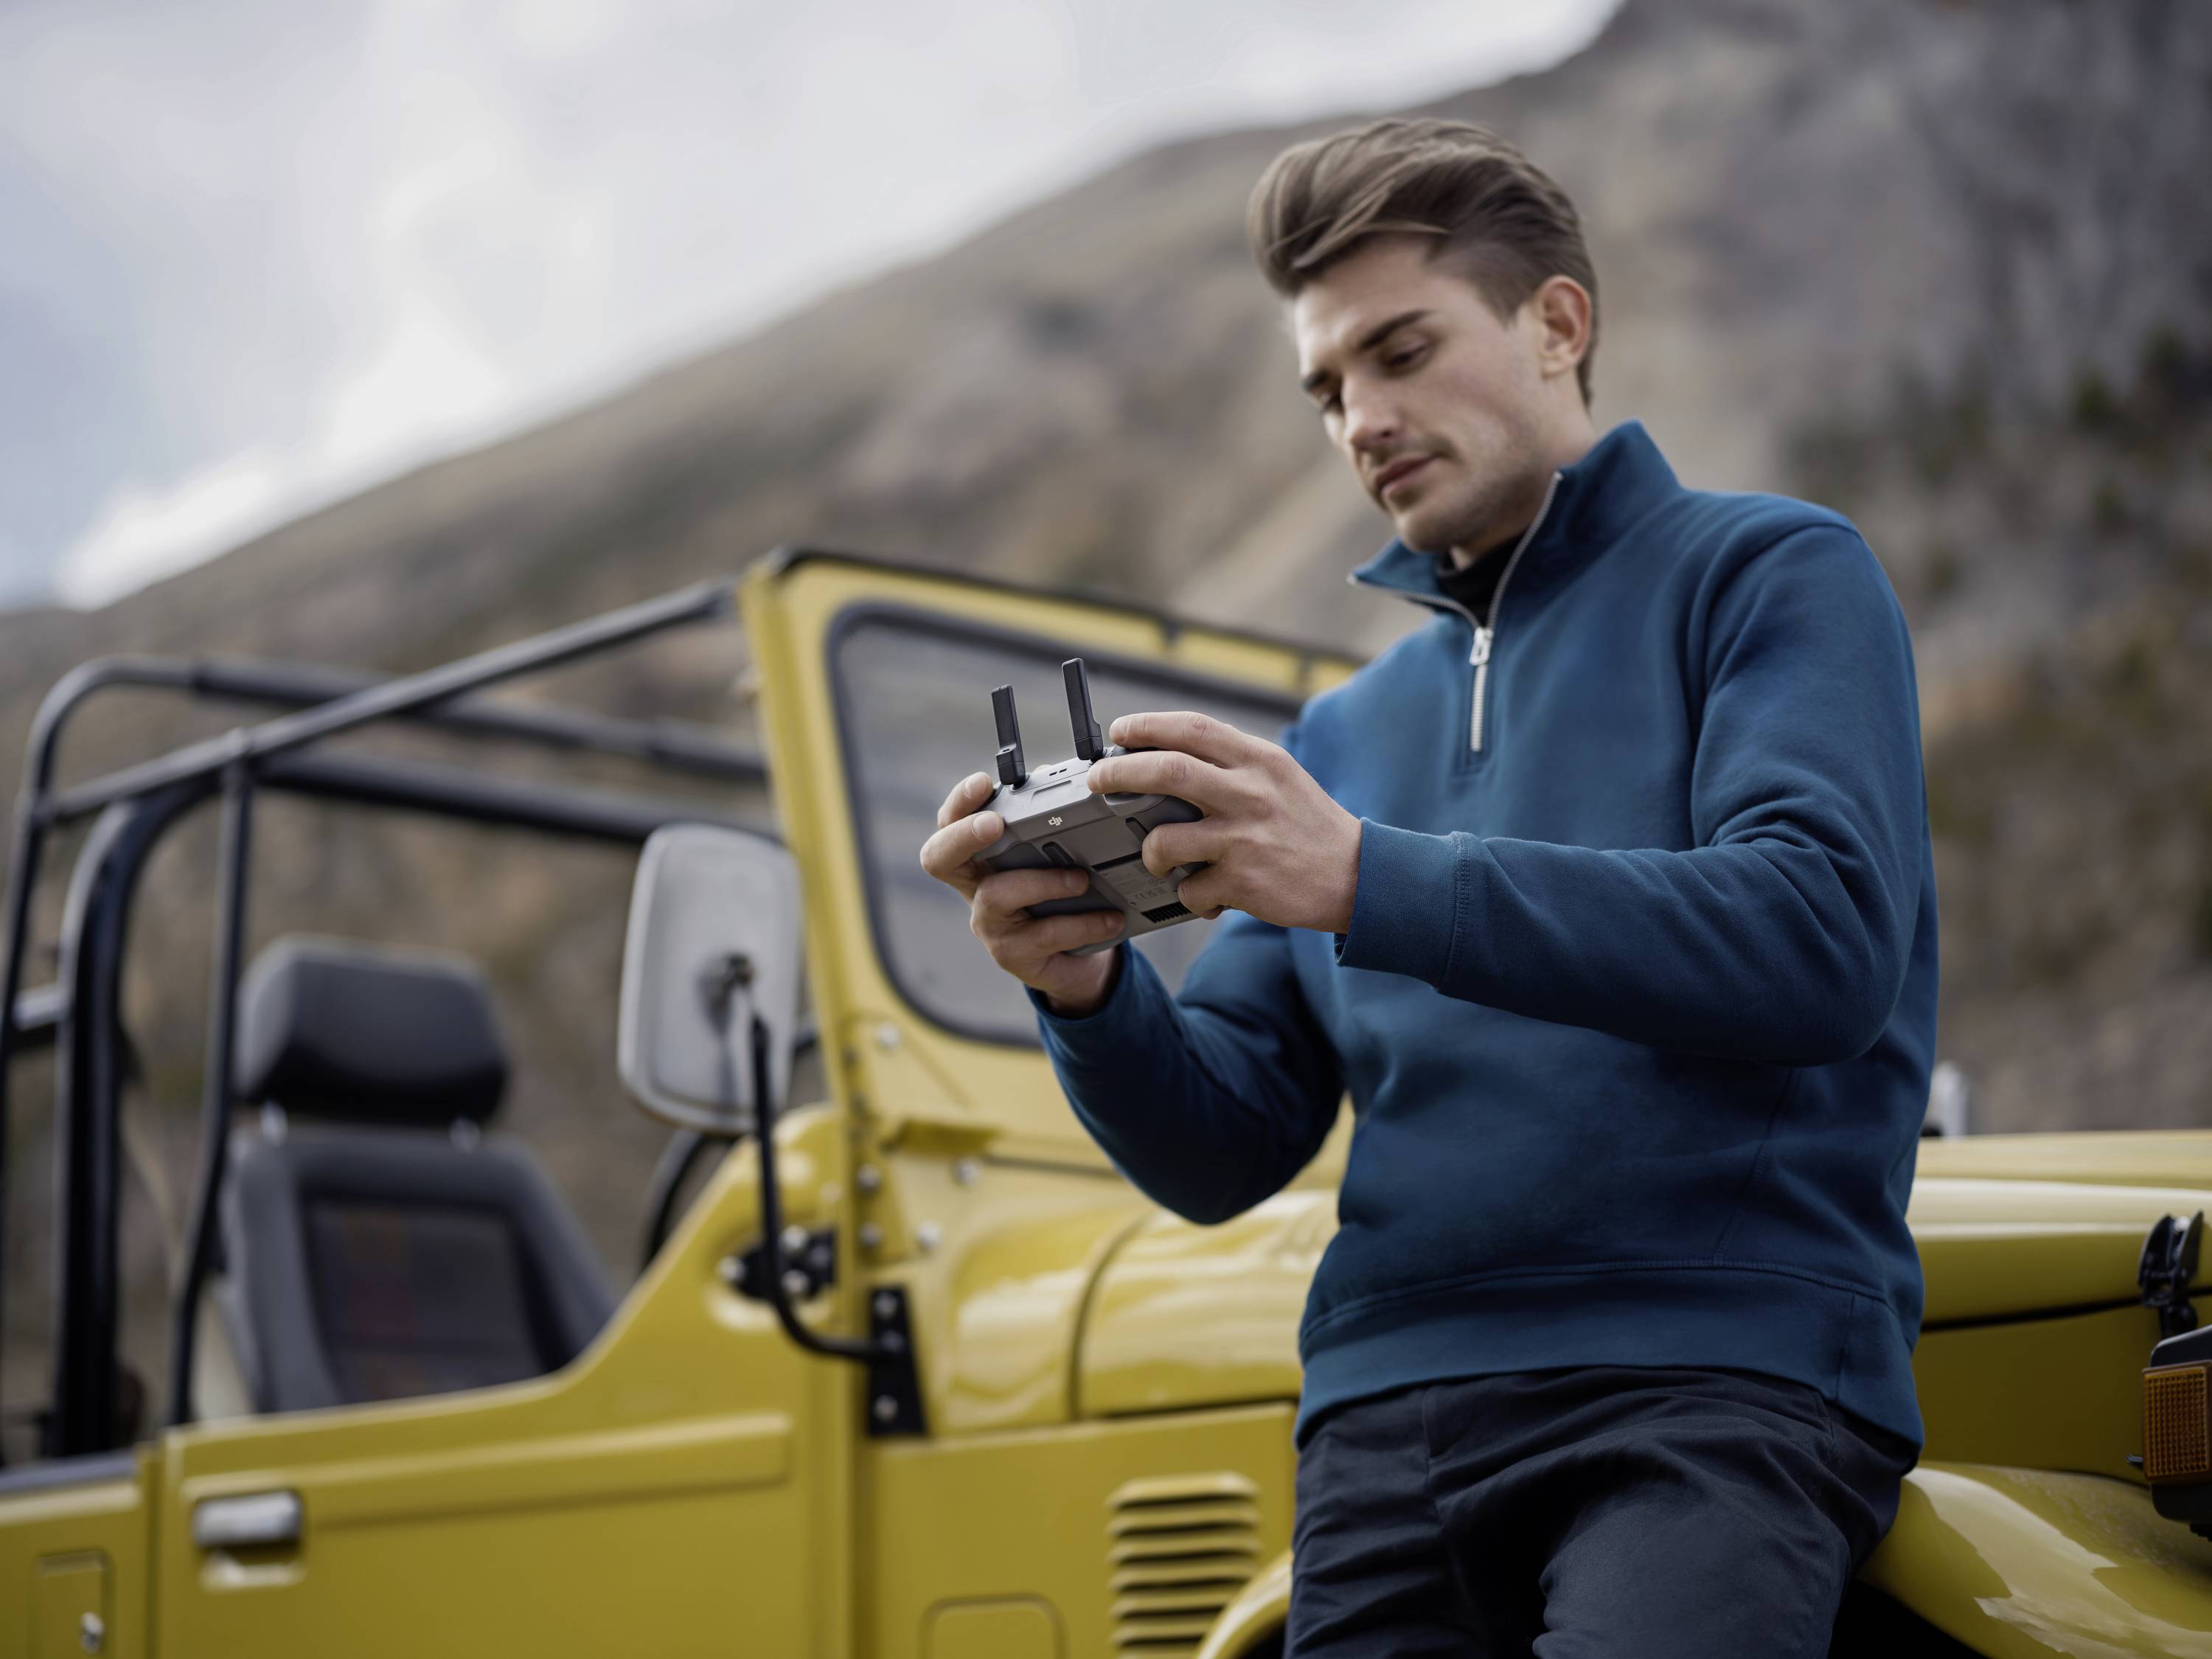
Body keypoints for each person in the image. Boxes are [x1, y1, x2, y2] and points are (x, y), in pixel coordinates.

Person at [919, 118, 1933, 1657]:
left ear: (1557, 323)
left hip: (1712, 1387)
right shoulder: (1342, 733)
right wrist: (1087, 989)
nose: (1361, 419)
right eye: (1329, 387)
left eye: (1401, 351)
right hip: (1382, 1431)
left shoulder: (1769, 575)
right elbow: (1224, 1147)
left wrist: (1368, 876)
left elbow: (1819, 940)